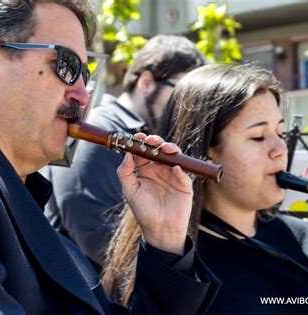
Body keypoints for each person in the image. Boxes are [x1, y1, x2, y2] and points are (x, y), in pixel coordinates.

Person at [0, 1, 218, 313]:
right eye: (67, 65)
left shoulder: (13, 195)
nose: (83, 95)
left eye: (85, 75)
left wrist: (164, 239)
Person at [102, 64, 308, 314]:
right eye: (258, 136)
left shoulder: (302, 237)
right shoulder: (173, 259)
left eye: (280, 131)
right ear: (206, 154)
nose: (281, 149)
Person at [44, 35, 206, 265]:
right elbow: (98, 238)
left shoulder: (147, 136)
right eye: (181, 94)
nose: (187, 107)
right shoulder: (99, 132)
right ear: (147, 83)